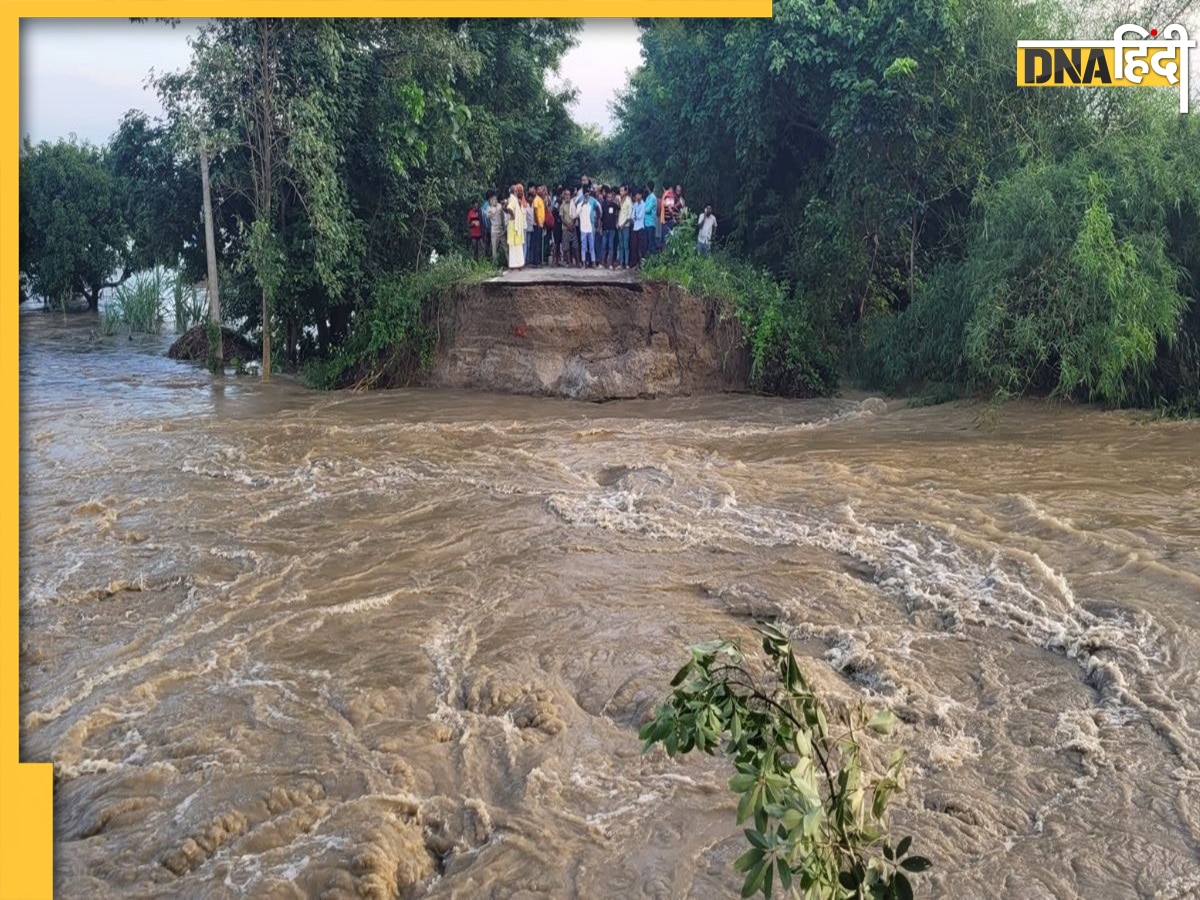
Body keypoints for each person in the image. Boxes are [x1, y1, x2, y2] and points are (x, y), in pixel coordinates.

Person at [505, 184, 526, 268]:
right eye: (516, 190)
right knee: (514, 246)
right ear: (514, 191)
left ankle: (518, 264)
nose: (517, 192)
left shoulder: (514, 199)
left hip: (516, 226)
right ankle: (515, 264)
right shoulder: (512, 199)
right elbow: (509, 208)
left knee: (517, 245)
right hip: (514, 226)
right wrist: (513, 216)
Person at [578, 187, 599, 268]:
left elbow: (598, 209)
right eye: (585, 193)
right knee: (583, 246)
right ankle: (583, 262)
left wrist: (596, 221)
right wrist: (582, 203)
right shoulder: (580, 200)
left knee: (591, 245)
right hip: (583, 227)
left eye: (588, 193)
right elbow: (576, 213)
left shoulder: (593, 200)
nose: (586, 195)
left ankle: (593, 262)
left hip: (590, 226)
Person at [558, 188, 578, 266]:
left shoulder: (573, 204)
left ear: (571, 196)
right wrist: (568, 225)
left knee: (575, 245)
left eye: (569, 194)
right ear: (564, 196)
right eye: (566, 194)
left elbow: (576, 215)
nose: (567, 196)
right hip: (565, 228)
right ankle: (569, 262)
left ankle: (577, 262)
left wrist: (572, 224)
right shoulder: (562, 206)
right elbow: (562, 217)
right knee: (566, 247)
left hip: (573, 227)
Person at [600, 189, 619, 268]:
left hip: (612, 228)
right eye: (608, 197)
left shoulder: (614, 205)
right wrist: (599, 227)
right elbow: (601, 217)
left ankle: (610, 263)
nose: (609, 199)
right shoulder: (603, 205)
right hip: (604, 228)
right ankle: (603, 262)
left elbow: (618, 212)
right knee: (604, 246)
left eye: (611, 197)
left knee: (611, 246)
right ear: (606, 197)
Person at [617, 185, 633, 269]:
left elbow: (629, 216)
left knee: (626, 245)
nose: (621, 192)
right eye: (620, 191)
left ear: (626, 191)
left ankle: (626, 263)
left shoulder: (629, 201)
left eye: (622, 191)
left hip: (625, 226)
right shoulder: (619, 199)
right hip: (619, 225)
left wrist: (623, 224)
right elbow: (617, 212)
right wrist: (618, 224)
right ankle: (620, 263)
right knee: (620, 245)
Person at [486, 190, 504, 262]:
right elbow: (488, 216)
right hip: (494, 230)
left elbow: (502, 217)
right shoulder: (489, 208)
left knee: (505, 246)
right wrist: (492, 208)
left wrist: (504, 226)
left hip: (501, 229)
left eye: (495, 199)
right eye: (493, 199)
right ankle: (495, 264)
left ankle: (509, 262)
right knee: (494, 249)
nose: (495, 200)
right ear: (490, 200)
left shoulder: (500, 206)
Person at [531, 185, 545, 266]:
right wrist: (538, 223)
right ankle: (536, 261)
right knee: (537, 243)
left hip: (540, 224)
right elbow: (535, 211)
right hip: (537, 224)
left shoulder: (540, 199)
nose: (540, 191)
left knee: (538, 243)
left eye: (541, 190)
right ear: (536, 190)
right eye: (539, 189)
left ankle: (538, 260)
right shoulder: (536, 199)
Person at [631, 188, 646, 267]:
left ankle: (642, 263)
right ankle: (636, 263)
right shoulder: (635, 204)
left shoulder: (644, 204)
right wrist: (635, 217)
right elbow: (632, 216)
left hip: (641, 227)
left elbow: (640, 216)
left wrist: (635, 217)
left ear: (640, 195)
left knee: (641, 246)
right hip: (635, 227)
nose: (636, 196)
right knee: (634, 246)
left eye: (637, 194)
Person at [643, 183, 658, 256]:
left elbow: (648, 209)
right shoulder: (648, 197)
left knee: (651, 242)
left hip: (651, 223)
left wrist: (643, 209)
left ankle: (652, 258)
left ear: (648, 188)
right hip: (646, 223)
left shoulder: (653, 198)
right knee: (646, 242)